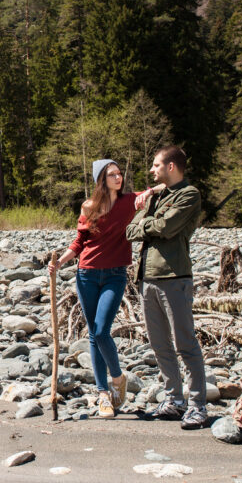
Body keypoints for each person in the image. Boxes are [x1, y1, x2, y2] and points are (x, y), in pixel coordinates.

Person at [49, 159, 162, 419]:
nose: (118, 177)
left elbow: (156, 190)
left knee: (101, 331)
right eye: (112, 174)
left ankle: (118, 378)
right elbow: (80, 241)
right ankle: (102, 394)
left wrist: (153, 190)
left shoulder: (129, 201)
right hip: (86, 274)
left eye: (119, 173)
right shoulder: (89, 206)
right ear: (101, 179)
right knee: (93, 334)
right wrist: (60, 263)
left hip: (115, 274)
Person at [125, 145, 207, 430]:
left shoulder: (189, 194)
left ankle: (198, 405)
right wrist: (151, 217)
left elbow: (167, 227)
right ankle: (174, 400)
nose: (152, 170)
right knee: (159, 344)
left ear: (171, 167)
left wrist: (149, 223)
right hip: (147, 278)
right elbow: (130, 231)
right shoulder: (156, 197)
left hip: (174, 277)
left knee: (185, 344)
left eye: (156, 165)